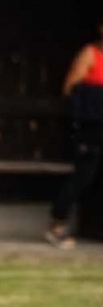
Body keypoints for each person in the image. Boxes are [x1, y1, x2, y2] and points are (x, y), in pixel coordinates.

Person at [46, 22, 103, 249]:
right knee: (84, 174)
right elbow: (70, 88)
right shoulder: (90, 53)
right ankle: (56, 225)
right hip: (93, 125)